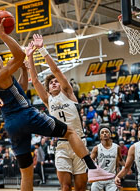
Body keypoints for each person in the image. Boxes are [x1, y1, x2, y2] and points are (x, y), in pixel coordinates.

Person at [0, 18, 114, 191]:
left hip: (11, 125)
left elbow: (22, 89)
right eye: (1, 58)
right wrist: (2, 34)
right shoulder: (1, 74)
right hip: (25, 115)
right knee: (69, 131)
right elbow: (19, 54)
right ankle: (93, 169)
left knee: (26, 172)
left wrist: (24, 70)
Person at [26, 34, 114, 191]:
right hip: (61, 145)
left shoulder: (67, 92)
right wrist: (30, 55)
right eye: (51, 82)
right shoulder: (47, 100)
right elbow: (35, 79)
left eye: (56, 81)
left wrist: (43, 50)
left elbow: (56, 70)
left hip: (79, 142)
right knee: (65, 187)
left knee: (80, 188)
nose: (54, 83)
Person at [91, 126, 124, 191]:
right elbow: (90, 162)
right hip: (99, 178)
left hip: (111, 178)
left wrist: (127, 167)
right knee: (93, 188)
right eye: (102, 133)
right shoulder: (96, 148)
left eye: (106, 132)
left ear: (110, 135)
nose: (105, 134)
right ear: (100, 137)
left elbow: (120, 160)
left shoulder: (117, 147)